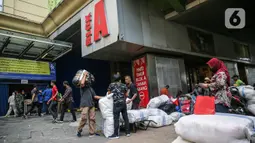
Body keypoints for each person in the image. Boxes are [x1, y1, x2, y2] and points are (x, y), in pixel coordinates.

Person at [77, 71, 101, 137]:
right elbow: (82, 83)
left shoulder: (90, 88)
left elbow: (95, 96)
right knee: (84, 118)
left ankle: (92, 132)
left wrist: (104, 97)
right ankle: (79, 130)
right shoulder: (82, 87)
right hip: (84, 104)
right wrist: (84, 74)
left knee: (92, 119)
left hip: (91, 105)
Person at [108, 73, 130, 139]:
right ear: (120, 79)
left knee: (116, 118)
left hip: (116, 103)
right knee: (125, 117)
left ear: (114, 79)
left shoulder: (111, 85)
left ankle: (116, 134)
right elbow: (126, 94)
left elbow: (109, 93)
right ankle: (128, 132)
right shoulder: (123, 85)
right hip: (123, 103)